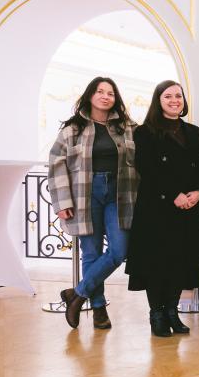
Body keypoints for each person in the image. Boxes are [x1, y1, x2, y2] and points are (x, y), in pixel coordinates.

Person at [48, 76, 138, 331]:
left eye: (110, 93)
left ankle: (76, 294)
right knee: (91, 252)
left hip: (119, 193)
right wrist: (62, 202)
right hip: (83, 195)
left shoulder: (127, 127)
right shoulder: (72, 129)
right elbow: (56, 165)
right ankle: (98, 308)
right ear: (90, 95)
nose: (105, 96)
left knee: (119, 252)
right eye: (100, 91)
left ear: (115, 99)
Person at [125, 80, 199, 337]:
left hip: (189, 207)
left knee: (181, 261)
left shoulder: (193, 131)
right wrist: (174, 195)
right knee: (157, 263)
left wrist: (198, 192)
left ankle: (173, 311)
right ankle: (157, 314)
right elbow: (147, 168)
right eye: (168, 96)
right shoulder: (144, 132)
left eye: (178, 96)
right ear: (158, 100)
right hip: (157, 208)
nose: (175, 100)